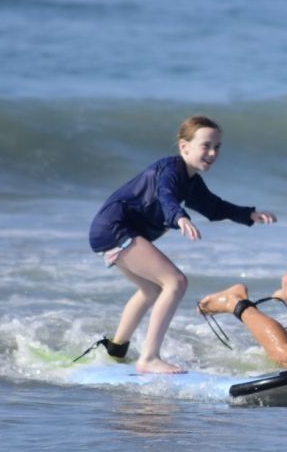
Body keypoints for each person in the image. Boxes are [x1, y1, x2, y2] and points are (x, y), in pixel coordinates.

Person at [88, 115, 277, 374]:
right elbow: (166, 195)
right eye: (206, 145)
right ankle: (149, 358)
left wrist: (248, 215)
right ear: (184, 146)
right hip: (116, 229)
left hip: (110, 231)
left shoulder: (191, 181)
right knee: (176, 282)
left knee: (151, 290)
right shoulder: (170, 170)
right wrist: (179, 217)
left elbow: (213, 206)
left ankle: (116, 349)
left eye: (217, 147)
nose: (212, 152)